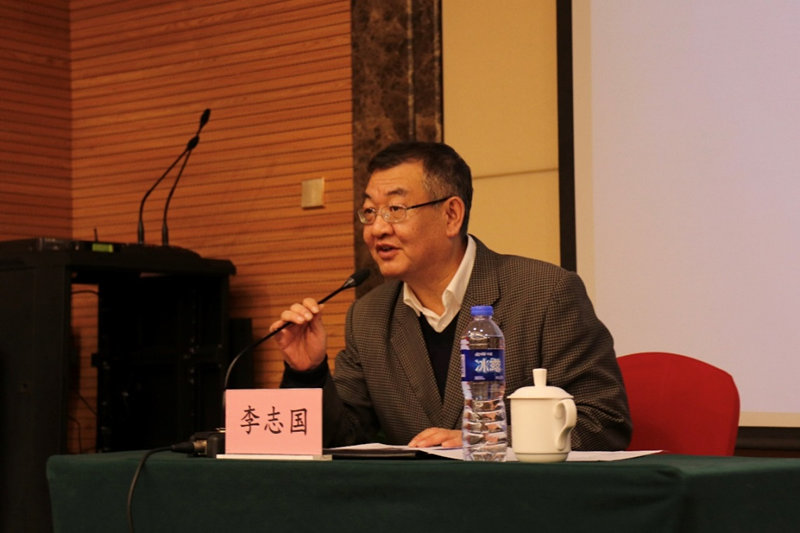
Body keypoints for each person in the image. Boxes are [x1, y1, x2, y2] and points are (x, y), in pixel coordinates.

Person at [272, 141, 631, 451]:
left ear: (451, 215)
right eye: (369, 212)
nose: (377, 228)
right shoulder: (368, 316)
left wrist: (490, 441)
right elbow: (346, 439)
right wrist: (308, 373)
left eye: (395, 210)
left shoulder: (544, 293)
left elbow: (603, 421)